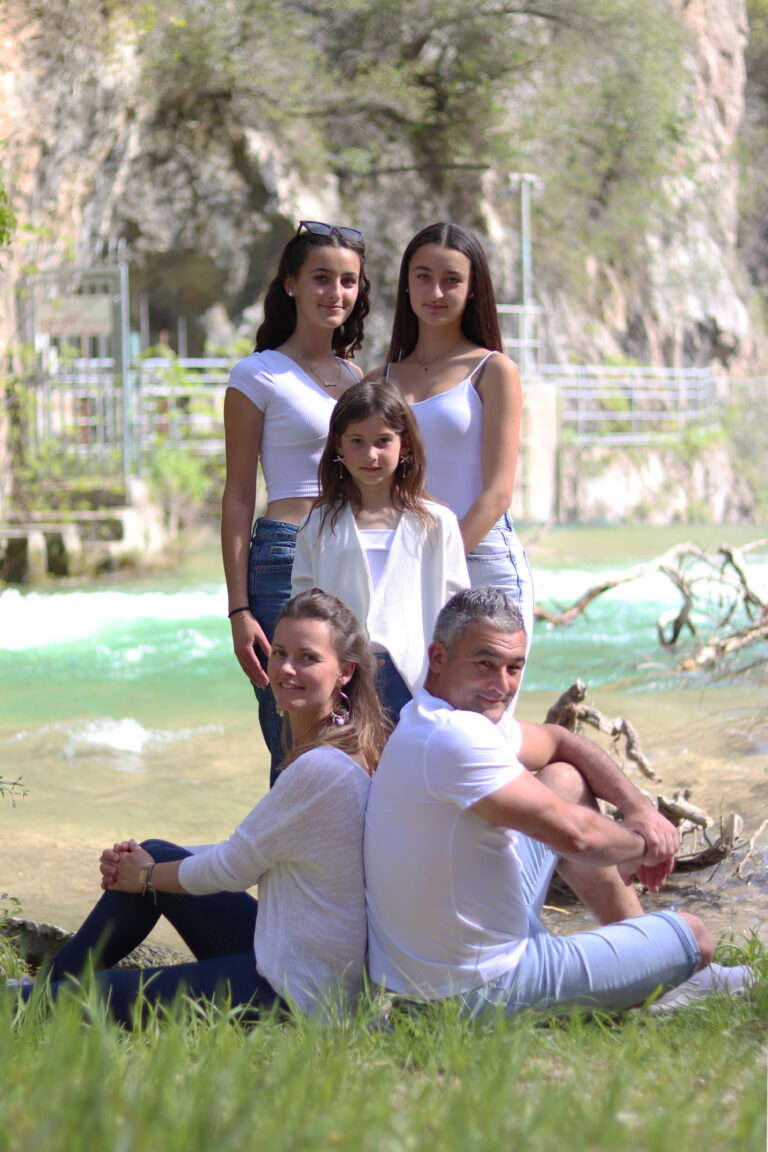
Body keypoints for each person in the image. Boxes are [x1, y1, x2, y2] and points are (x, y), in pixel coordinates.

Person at [364, 587, 753, 1018]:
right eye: (485, 664)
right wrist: (644, 844)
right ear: (438, 658)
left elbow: (558, 741)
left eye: (514, 668)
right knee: (695, 936)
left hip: (429, 975)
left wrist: (640, 809)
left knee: (564, 781)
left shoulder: (438, 716)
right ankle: (656, 987)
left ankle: (644, 965)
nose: (502, 685)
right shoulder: (453, 736)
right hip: (475, 991)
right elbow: (578, 836)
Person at [17, 591, 388, 1026]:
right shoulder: (343, 749)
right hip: (288, 955)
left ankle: (26, 1001)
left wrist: (145, 877)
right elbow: (248, 851)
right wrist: (142, 864)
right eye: (280, 652)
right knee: (157, 851)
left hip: (295, 998)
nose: (287, 669)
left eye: (307, 658)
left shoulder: (322, 769)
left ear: (345, 671)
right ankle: (39, 994)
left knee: (85, 997)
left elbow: (233, 868)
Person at [222, 220, 370, 784]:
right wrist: (239, 611)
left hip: (350, 549)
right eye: (321, 278)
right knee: (291, 732)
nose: (336, 293)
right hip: (282, 555)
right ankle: (282, 841)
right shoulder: (257, 374)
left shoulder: (356, 377)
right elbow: (238, 497)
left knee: (352, 726)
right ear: (291, 284)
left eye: (348, 281)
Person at [367, 222, 534, 651]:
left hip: (481, 560)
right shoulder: (379, 380)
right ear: (406, 283)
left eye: (452, 280)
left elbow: (498, 493)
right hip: (402, 559)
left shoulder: (493, 370)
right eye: (423, 276)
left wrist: (434, 567)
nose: (436, 292)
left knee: (485, 696)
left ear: (473, 289)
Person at [291, 379, 469, 724]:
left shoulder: (437, 522)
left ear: (405, 445)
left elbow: (456, 608)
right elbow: (302, 607)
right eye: (357, 441)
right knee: (346, 757)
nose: (370, 454)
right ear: (339, 445)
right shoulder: (317, 524)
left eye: (383, 441)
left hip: (416, 677)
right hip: (342, 678)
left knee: (412, 758)